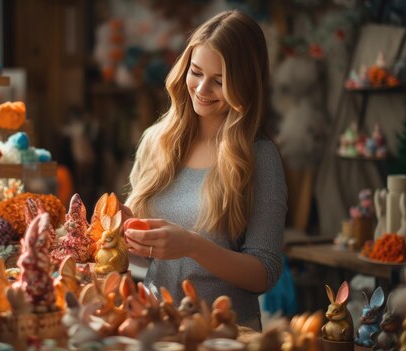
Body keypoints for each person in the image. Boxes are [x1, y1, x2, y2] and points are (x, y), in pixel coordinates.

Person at [121, 10, 287, 331]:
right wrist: (125, 236)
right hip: (157, 327)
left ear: (246, 86)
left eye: (220, 81)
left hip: (226, 332)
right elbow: (147, 260)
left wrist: (194, 246)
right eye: (196, 72)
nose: (201, 88)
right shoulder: (157, 141)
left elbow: (264, 273)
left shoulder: (260, 157)